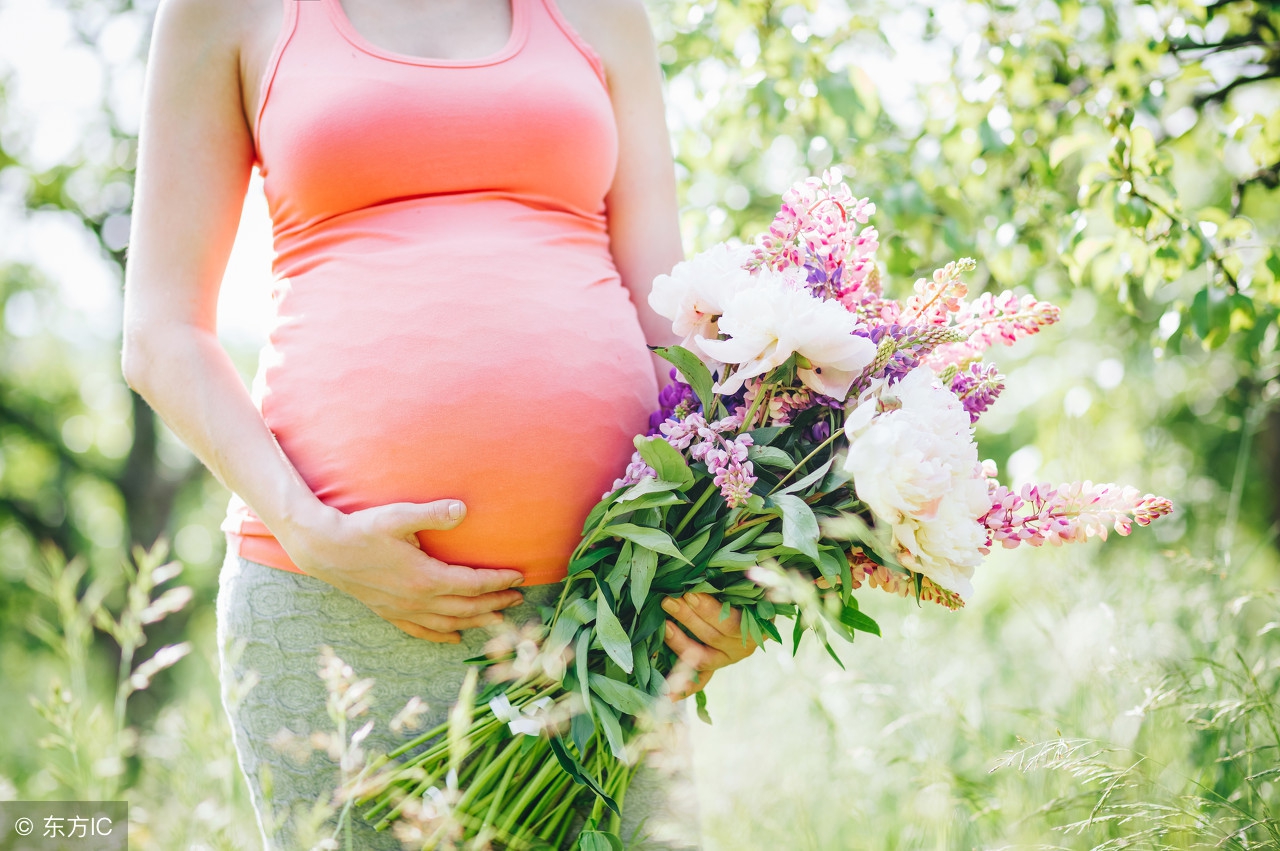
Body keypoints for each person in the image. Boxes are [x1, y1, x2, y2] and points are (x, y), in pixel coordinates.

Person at [121, 0, 756, 847]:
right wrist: (307, 530)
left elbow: (670, 317)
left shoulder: (602, 12)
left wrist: (735, 558)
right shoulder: (226, 12)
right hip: (337, 607)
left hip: (607, 609)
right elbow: (161, 334)